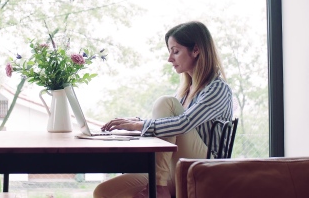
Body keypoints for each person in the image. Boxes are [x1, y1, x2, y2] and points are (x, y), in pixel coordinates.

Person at [93, 21, 233, 198]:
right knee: (105, 191)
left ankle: (159, 187)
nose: (170, 58)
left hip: (205, 169)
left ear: (196, 50)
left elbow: (183, 124)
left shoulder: (218, 88)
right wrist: (134, 122)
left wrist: (140, 125)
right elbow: (170, 125)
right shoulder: (185, 92)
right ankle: (159, 184)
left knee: (165, 103)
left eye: (175, 51)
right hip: (176, 170)